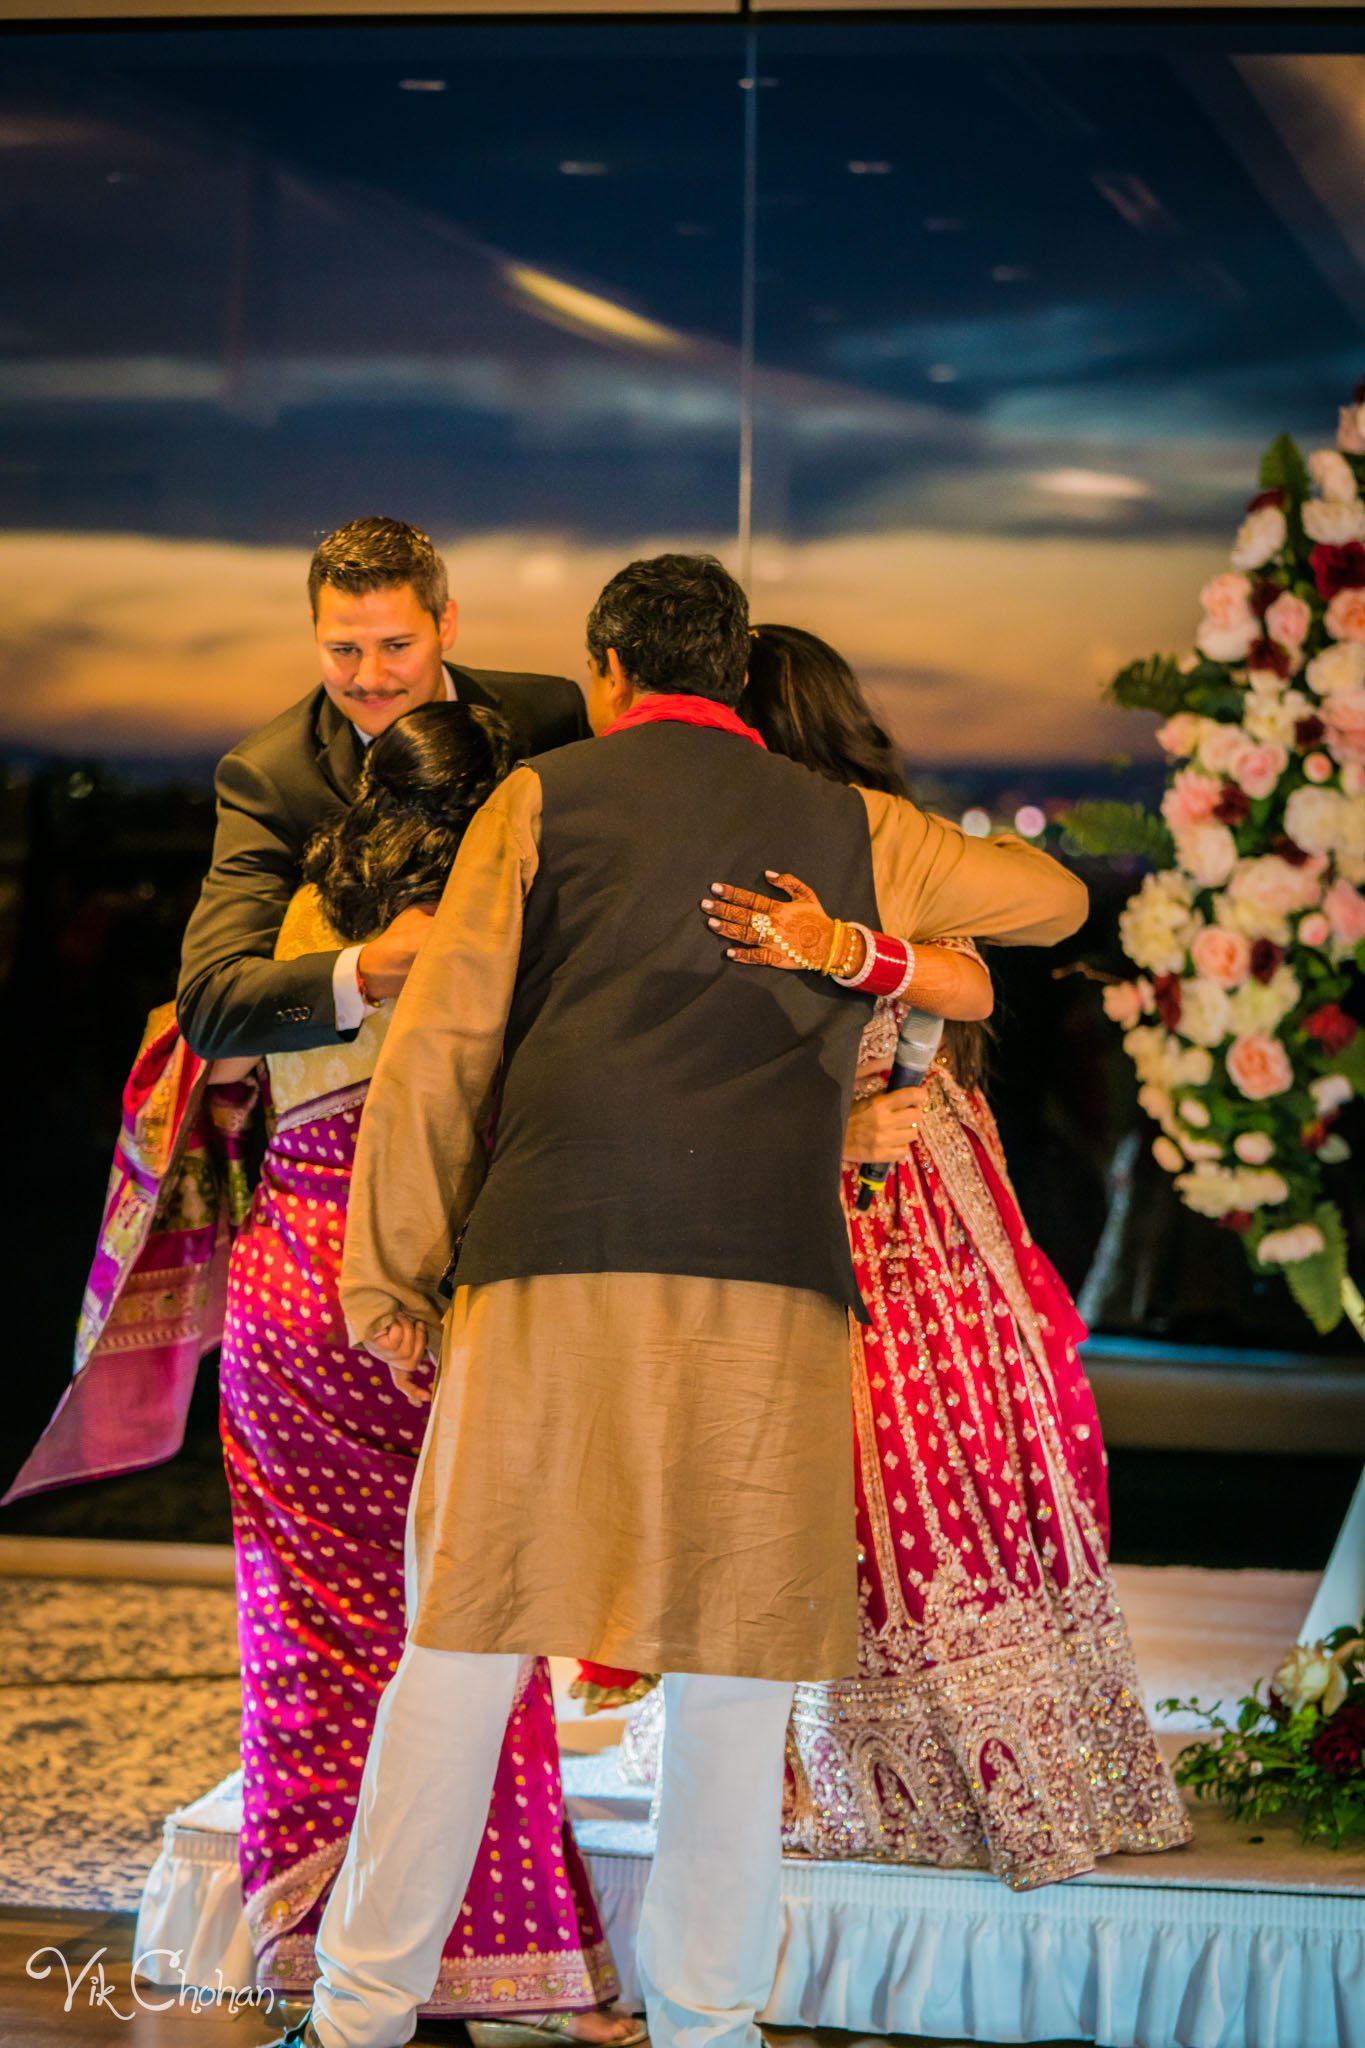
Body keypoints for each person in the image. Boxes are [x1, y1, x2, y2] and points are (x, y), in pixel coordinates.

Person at [262, 552, 1087, 2048]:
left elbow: (441, 1050)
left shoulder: (544, 796)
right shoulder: (847, 823)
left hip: (549, 1265)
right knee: (728, 1678)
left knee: (459, 1646)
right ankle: (706, 2028)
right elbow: (1050, 896)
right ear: (735, 671)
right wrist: (856, 946)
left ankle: (356, 2020)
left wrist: (387, 1273)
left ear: (607, 670)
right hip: (770, 1285)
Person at [694, 623, 1192, 1887]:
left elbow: (971, 978)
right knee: (820, 1474)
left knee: (942, 1450)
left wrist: (845, 948)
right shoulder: (705, 858)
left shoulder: (869, 836)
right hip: (790, 1175)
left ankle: (997, 1757)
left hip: (919, 1184)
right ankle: (838, 1765)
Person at [212, 699, 635, 2035]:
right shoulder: (490, 928)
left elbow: (220, 1060)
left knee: (308, 1626)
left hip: (284, 1291)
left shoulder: (306, 920)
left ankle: (324, 1953)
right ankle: (471, 1952)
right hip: (411, 1291)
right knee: (461, 1623)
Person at [176, 515, 587, 1062]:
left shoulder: (549, 716)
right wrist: (365, 972)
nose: (369, 678)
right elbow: (211, 1005)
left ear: (446, 623)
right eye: (343, 649)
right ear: (314, 627)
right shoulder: (269, 776)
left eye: (396, 646)